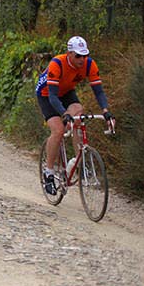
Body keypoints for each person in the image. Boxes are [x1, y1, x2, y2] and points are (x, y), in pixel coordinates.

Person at [35, 36, 115, 195]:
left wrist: (106, 111)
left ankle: (77, 161)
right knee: (58, 130)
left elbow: (98, 91)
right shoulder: (57, 63)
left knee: (79, 113)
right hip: (47, 94)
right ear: (69, 53)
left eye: (84, 55)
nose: (82, 59)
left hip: (67, 92)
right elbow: (52, 96)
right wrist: (64, 114)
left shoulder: (89, 64)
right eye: (78, 55)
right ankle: (49, 172)